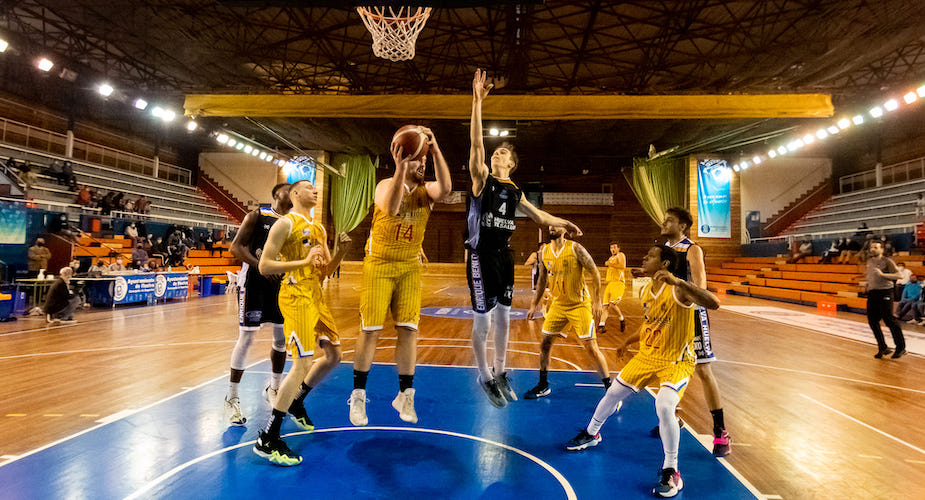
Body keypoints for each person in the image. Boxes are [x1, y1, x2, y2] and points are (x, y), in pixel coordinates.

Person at [466, 68, 583, 407]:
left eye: (503, 154)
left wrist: (566, 222)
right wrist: (477, 102)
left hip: (504, 255)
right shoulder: (482, 179)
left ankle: (501, 372)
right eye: (495, 152)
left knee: (504, 316)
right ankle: (483, 374)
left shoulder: (515, 191)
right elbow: (476, 143)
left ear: (512, 164)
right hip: (479, 254)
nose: (496, 154)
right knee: (483, 319)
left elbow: (541, 217)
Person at [565, 245, 720, 499]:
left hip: (675, 360)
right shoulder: (647, 290)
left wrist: (680, 281)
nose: (644, 258)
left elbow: (714, 303)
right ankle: (592, 433)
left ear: (665, 264)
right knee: (613, 392)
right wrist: (628, 342)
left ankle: (672, 470)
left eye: (650, 256)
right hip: (647, 355)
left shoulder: (679, 289)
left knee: (664, 404)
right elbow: (651, 324)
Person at [348, 126, 452, 427]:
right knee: (370, 330)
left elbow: (445, 188)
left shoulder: (427, 192)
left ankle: (406, 393)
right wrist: (399, 169)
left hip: (409, 266)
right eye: (417, 161)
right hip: (379, 265)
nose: (422, 165)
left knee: (409, 329)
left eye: (424, 162)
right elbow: (391, 208)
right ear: (404, 160)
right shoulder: (384, 185)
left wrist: (434, 148)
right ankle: (358, 394)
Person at [253, 179, 351, 466]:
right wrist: (301, 262)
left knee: (334, 356)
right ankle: (268, 437)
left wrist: (341, 252)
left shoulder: (319, 228)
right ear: (295, 194)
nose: (316, 191)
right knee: (302, 364)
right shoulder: (285, 224)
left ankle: (297, 399)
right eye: (310, 187)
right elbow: (265, 265)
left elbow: (326, 271)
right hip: (296, 296)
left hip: (316, 295)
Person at [660, 207, 731, 456]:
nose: (664, 222)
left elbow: (701, 287)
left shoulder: (692, 249)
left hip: (692, 316)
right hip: (669, 316)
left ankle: (720, 431)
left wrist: (679, 288)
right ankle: (672, 417)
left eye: (669, 220)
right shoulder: (663, 250)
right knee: (668, 366)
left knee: (702, 370)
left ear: (682, 226)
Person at [222, 183, 292, 427]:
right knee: (247, 338)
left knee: (281, 338)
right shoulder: (257, 216)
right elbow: (236, 247)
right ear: (275, 195)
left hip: (280, 284)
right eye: (288, 189)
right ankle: (232, 399)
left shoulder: (295, 221)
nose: (292, 193)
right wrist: (261, 267)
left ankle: (274, 389)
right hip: (254, 281)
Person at [524, 225, 610, 400]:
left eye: (556, 225)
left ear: (565, 230)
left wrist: (597, 301)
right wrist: (534, 305)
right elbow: (542, 280)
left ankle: (610, 388)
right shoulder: (544, 252)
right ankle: (543, 384)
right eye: (550, 225)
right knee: (545, 344)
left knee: (591, 347)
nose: (552, 227)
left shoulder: (575, 248)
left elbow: (594, 272)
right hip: (558, 305)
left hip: (579, 304)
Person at [862, 241, 907, 359]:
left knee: (889, 319)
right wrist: (868, 285)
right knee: (872, 320)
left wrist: (883, 275)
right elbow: (871, 276)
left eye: (875, 247)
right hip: (873, 292)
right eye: (871, 247)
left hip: (885, 291)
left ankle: (901, 347)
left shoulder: (887, 261)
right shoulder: (869, 261)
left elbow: (899, 275)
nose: (872, 249)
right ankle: (882, 347)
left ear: (881, 250)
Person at [599, 241, 627, 333]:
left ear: (618, 248)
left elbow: (622, 266)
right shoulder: (611, 258)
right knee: (605, 306)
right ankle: (601, 325)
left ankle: (622, 319)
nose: (613, 249)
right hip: (610, 284)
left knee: (613, 304)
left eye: (615, 247)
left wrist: (609, 264)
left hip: (618, 283)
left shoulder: (621, 255)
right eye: (611, 248)